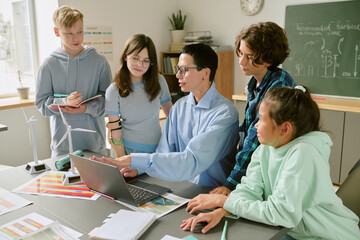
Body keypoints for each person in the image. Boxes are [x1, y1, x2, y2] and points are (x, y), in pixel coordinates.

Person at [181, 86, 360, 240]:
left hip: (326, 236)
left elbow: (281, 213)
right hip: (295, 231)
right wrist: (220, 211)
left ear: (284, 128)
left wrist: (223, 201)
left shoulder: (304, 154)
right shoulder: (266, 147)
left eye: (261, 119)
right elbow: (249, 191)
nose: (255, 125)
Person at [91, 43, 239, 188]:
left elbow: (191, 161)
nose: (177, 75)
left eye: (184, 70)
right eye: (178, 69)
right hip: (180, 189)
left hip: (212, 194)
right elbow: (164, 153)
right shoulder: (179, 108)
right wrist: (139, 169)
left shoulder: (225, 114)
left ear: (205, 73)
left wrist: (132, 160)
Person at [211, 21, 296, 195]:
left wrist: (230, 183)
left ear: (269, 58)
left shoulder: (278, 85)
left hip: (269, 169)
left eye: (249, 57)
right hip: (255, 166)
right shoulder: (255, 83)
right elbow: (246, 128)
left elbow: (254, 138)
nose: (241, 61)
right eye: (240, 53)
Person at [35, 6, 111, 157]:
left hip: (95, 146)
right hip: (62, 147)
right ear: (57, 32)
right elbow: (42, 104)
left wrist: (85, 108)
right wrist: (65, 102)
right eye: (69, 33)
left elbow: (109, 101)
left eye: (80, 32)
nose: (76, 38)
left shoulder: (99, 61)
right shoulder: (48, 64)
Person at [105, 34, 172, 158]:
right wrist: (122, 160)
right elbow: (115, 132)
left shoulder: (159, 81)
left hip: (158, 150)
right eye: (135, 58)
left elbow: (172, 117)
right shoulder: (114, 90)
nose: (140, 65)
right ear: (126, 56)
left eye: (146, 61)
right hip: (128, 152)